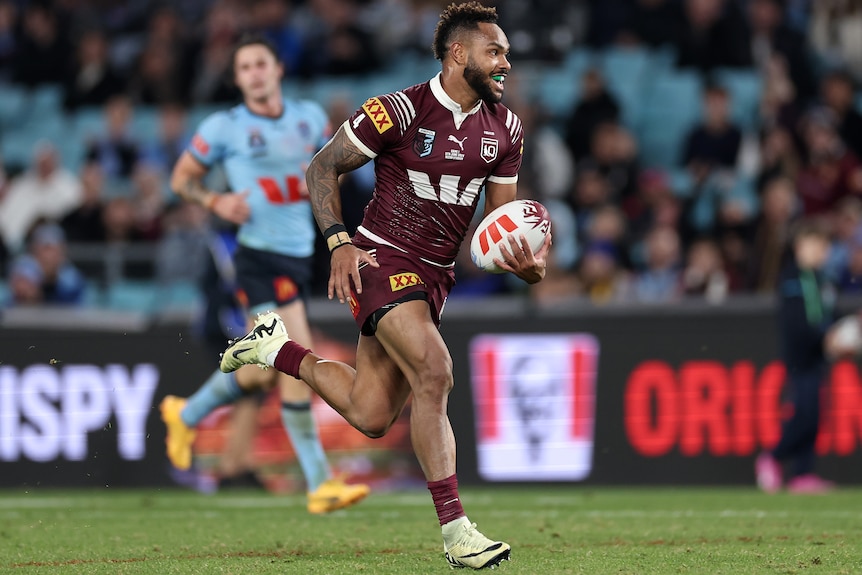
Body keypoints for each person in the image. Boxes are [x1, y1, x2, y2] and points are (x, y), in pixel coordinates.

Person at [219, 3, 550, 569]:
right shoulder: (398, 109)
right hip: (379, 257)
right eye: (494, 53)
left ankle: (274, 347)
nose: (505, 65)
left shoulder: (507, 129)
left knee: (372, 414)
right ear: (458, 54)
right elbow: (321, 168)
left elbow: (499, 223)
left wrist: (526, 265)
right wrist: (339, 242)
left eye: (507, 54)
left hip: (435, 276)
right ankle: (457, 531)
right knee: (435, 369)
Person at [158, 35, 369, 514]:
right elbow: (180, 180)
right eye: (244, 67)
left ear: (277, 69)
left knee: (264, 374)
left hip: (298, 257)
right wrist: (216, 201)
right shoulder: (223, 127)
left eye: (260, 64)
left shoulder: (310, 118)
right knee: (295, 366)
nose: (253, 73)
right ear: (237, 79)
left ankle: (186, 412)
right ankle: (320, 484)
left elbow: (331, 170)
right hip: (257, 259)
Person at [755, 220, 839, 494]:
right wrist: (823, 337)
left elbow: (824, 317)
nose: (820, 252)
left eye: (823, 247)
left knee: (814, 415)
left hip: (817, 358)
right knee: (803, 413)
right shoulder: (792, 278)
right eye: (815, 246)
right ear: (800, 247)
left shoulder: (822, 279)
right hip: (800, 357)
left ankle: (803, 473)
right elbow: (797, 323)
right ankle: (773, 456)